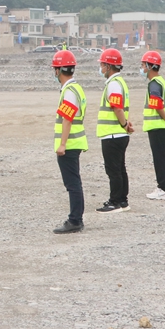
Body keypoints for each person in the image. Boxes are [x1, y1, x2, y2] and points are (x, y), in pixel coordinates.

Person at [51, 49, 87, 234]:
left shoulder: (69, 91)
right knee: (75, 183)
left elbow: (67, 119)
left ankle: (75, 220)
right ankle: (76, 219)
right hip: (74, 143)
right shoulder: (75, 88)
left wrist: (62, 144)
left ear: (59, 70)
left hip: (70, 145)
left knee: (72, 184)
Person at [95, 48, 132, 213]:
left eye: (103, 65)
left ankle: (115, 201)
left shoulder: (114, 84)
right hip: (118, 133)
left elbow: (117, 108)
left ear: (109, 66)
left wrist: (124, 124)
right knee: (120, 168)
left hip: (113, 134)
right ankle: (122, 200)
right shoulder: (119, 83)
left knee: (114, 170)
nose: (101, 68)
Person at [142, 51, 165, 201]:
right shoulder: (161, 81)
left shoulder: (154, 84)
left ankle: (163, 188)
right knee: (163, 158)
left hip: (158, 127)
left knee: (160, 159)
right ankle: (164, 187)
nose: (142, 68)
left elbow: (157, 105)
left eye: (143, 65)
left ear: (150, 66)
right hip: (163, 127)